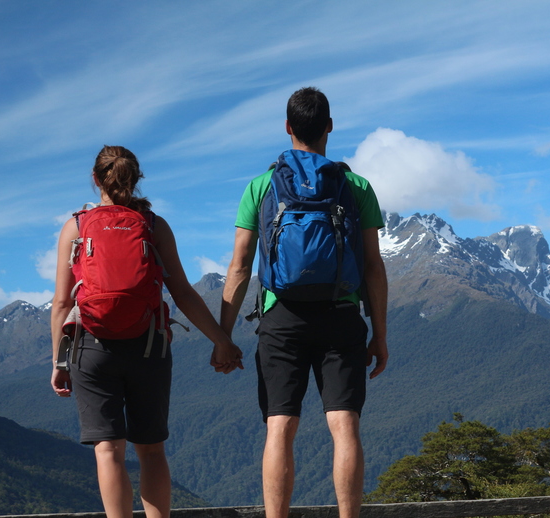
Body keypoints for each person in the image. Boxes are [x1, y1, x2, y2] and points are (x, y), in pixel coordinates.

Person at [220, 87, 388, 518]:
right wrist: (380, 334)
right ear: (329, 127)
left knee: (280, 427)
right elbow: (373, 268)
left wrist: (223, 336)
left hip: (282, 317)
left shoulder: (261, 186)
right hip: (341, 314)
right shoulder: (356, 185)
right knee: (345, 425)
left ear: (288, 127)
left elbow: (239, 267)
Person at [50, 145, 243, 518]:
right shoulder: (154, 226)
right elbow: (182, 292)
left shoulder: (76, 227)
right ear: (137, 179)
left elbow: (61, 303)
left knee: (108, 450)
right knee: (151, 449)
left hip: (92, 348)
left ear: (96, 180)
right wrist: (222, 340)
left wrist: (60, 361)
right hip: (149, 345)